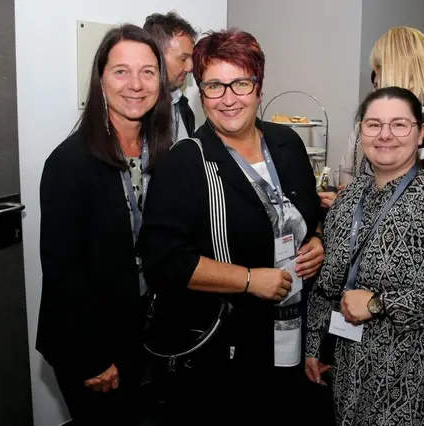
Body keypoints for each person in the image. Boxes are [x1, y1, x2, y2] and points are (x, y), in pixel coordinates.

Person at [138, 28, 326, 424]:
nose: (228, 98)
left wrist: (317, 241)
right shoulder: (185, 163)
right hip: (227, 349)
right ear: (200, 92)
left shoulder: (287, 144)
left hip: (292, 329)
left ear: (259, 87)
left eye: (240, 83)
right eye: (214, 86)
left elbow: (309, 214)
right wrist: (248, 279)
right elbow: (164, 262)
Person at [305, 87, 424, 426]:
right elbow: (327, 284)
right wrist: (314, 346)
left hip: (420, 384)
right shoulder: (347, 201)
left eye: (399, 124)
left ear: (420, 133)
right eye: (373, 125)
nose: (385, 135)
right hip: (351, 375)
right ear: (361, 132)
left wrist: (379, 303)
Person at [36, 24, 172, 425]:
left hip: (140, 333)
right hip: (90, 343)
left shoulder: (161, 154)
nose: (136, 84)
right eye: (121, 71)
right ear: (100, 80)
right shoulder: (69, 163)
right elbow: (63, 271)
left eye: (147, 72)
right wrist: (92, 357)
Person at [319, 27, 424, 209]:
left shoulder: (392, 128)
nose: (376, 79)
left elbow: (380, 201)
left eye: (377, 70)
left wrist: (345, 206)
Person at [143, 11, 198, 141]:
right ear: (156, 57)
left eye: (191, 59)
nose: (190, 67)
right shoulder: (135, 113)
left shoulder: (184, 108)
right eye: (183, 59)